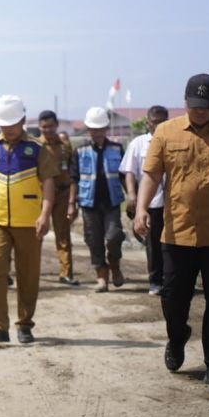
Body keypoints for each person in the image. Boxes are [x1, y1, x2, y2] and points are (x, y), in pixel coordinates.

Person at [134, 73, 209, 394]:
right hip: (177, 232)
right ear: (185, 102)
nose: (200, 112)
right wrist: (141, 209)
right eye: (195, 106)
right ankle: (177, 336)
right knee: (173, 296)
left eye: (206, 107)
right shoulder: (165, 132)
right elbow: (151, 175)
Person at [0, 95, 56, 343]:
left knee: (28, 273)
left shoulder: (38, 149)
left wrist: (45, 214)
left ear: (23, 121)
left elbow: (48, 183)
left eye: (13, 123)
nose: (9, 129)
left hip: (29, 221)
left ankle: (24, 324)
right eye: (4, 124)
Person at [69, 106, 126, 293]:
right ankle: (102, 277)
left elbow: (124, 176)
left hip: (111, 203)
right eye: (94, 129)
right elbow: (74, 179)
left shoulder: (117, 149)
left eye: (101, 129)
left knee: (114, 237)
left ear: (106, 129)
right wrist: (71, 204)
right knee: (94, 241)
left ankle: (115, 265)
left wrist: (133, 199)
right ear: (88, 129)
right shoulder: (80, 151)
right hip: (89, 203)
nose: (97, 133)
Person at [120, 105, 169, 295]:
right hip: (151, 202)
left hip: (173, 203)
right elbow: (129, 172)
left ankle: (172, 280)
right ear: (148, 123)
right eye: (155, 122)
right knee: (154, 244)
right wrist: (132, 195)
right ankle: (155, 281)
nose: (159, 125)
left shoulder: (174, 141)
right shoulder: (138, 144)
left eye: (162, 122)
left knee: (172, 244)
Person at [38, 110, 79, 286]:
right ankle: (31, 272)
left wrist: (72, 200)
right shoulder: (35, 146)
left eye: (50, 126)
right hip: (41, 197)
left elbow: (72, 171)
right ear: (39, 127)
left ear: (56, 125)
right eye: (44, 127)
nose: (47, 130)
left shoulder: (65, 146)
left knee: (63, 235)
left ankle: (66, 273)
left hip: (62, 194)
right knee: (36, 235)